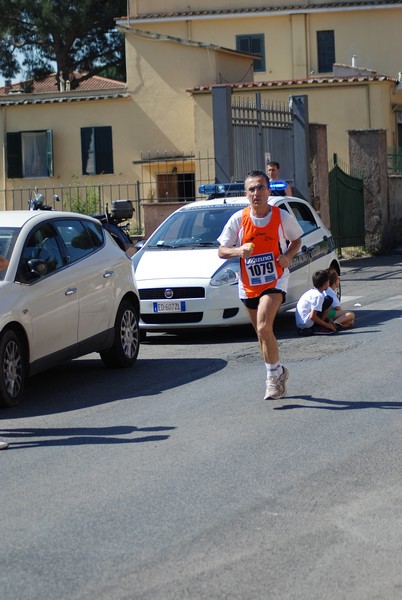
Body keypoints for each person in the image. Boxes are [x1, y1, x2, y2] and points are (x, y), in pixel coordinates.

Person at [218, 170, 303, 400]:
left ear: (268, 190)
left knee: (265, 327)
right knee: (261, 334)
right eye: (251, 189)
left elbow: (297, 240)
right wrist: (239, 250)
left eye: (260, 188)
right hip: (248, 283)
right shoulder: (239, 219)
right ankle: (280, 372)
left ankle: (271, 379)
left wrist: (288, 257)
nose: (256, 193)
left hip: (276, 278)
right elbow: (222, 250)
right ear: (246, 194)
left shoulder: (281, 216)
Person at [295, 270, 337, 336]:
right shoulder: (318, 296)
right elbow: (312, 316)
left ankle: (320, 323)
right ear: (326, 283)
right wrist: (327, 325)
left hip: (301, 324)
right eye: (328, 281)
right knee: (329, 300)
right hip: (307, 325)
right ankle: (319, 327)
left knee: (326, 300)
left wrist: (327, 319)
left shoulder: (311, 292)